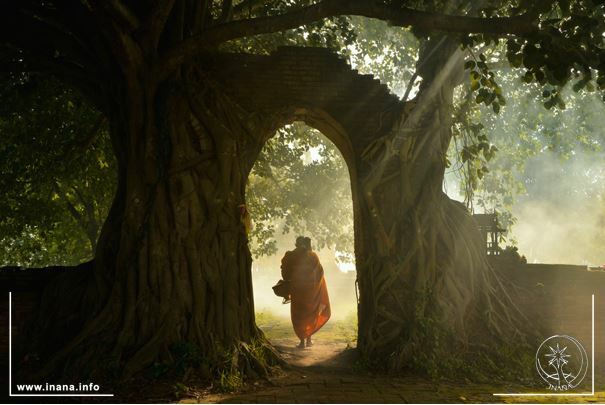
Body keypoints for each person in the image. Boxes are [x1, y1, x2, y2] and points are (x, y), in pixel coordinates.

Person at [280, 236, 331, 348]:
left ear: (296, 244)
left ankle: (302, 341)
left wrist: (291, 281)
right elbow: (320, 274)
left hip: (297, 291)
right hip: (310, 292)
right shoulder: (312, 256)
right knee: (310, 314)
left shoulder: (290, 255)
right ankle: (308, 340)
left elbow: (285, 273)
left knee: (298, 315)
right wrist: (316, 287)